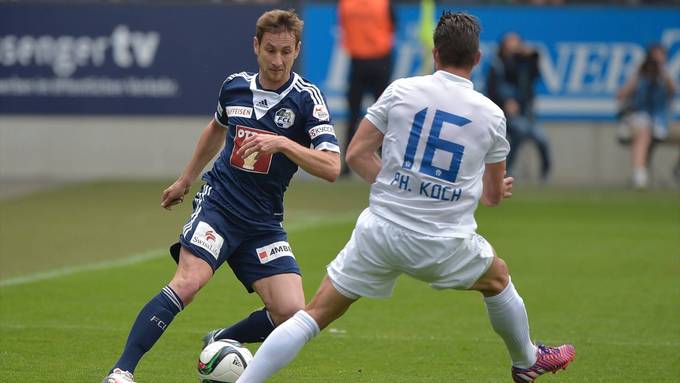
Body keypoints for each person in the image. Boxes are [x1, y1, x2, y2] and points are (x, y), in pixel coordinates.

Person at [236, 12, 574, 383]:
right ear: (477, 58)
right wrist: (491, 188)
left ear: (435, 54)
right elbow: (493, 197)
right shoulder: (492, 115)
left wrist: (401, 187)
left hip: (380, 233)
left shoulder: (402, 91)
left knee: (313, 315)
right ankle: (526, 361)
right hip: (443, 242)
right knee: (498, 279)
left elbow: (355, 155)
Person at [102, 9, 341, 383]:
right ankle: (121, 371)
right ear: (256, 46)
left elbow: (331, 167)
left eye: (286, 52)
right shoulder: (234, 87)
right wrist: (185, 180)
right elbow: (216, 128)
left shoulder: (307, 100)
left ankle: (221, 340)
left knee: (293, 313)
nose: (278, 61)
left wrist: (283, 144)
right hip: (219, 206)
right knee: (188, 283)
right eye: (271, 50)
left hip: (263, 222)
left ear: (297, 51)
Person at [338, 0, 395, 176]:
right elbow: (393, 26)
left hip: (358, 62)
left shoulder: (346, 4)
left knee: (352, 114)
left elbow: (343, 27)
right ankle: (386, 163)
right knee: (385, 115)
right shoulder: (384, 4)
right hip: (380, 61)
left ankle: (347, 167)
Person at [486, 31, 551, 181]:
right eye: (510, 42)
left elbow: (534, 74)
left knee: (542, 139)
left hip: (526, 113)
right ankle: (507, 171)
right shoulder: (498, 64)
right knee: (518, 134)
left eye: (516, 42)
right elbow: (495, 89)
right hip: (503, 116)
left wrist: (531, 54)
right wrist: (507, 101)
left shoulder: (523, 63)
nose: (513, 45)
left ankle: (545, 174)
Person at [617, 43, 677, 189]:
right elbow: (620, 95)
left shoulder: (666, 75)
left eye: (661, 58)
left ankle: (677, 172)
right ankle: (640, 176)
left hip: (660, 120)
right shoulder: (639, 74)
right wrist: (638, 77)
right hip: (637, 119)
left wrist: (663, 73)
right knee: (644, 133)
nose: (656, 62)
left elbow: (673, 91)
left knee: (651, 130)